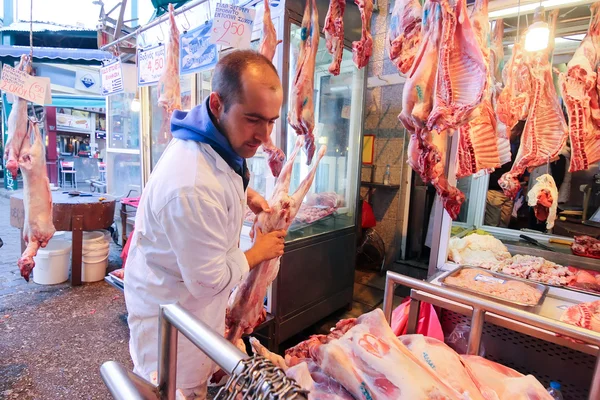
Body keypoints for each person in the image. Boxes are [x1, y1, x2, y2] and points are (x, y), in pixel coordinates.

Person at [124, 50, 287, 399]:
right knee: (172, 390)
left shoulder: (211, 141)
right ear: (217, 104)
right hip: (172, 319)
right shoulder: (191, 185)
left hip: (189, 308)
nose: (264, 135)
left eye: (271, 121)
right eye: (253, 119)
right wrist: (257, 252)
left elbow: (220, 171)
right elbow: (207, 280)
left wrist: (246, 193)